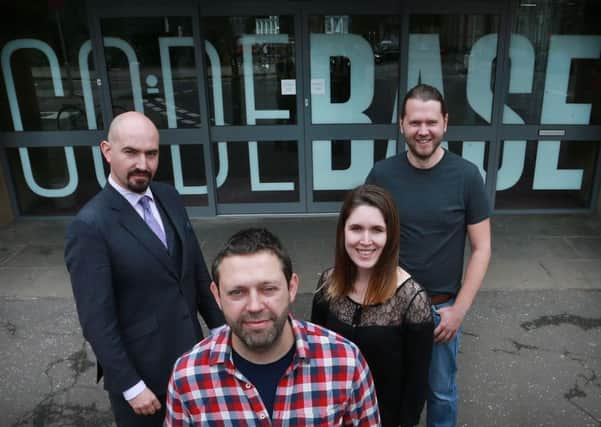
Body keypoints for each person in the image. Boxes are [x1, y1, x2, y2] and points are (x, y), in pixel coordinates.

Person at [64, 111, 225, 427]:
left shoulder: (168, 195)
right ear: (107, 151)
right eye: (131, 152)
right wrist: (130, 385)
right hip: (144, 381)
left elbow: (194, 268)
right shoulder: (89, 226)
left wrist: (221, 330)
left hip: (193, 360)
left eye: (151, 153)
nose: (143, 164)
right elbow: (97, 320)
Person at [366, 84, 492, 427]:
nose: (424, 131)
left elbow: (482, 248)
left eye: (432, 122)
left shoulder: (466, 176)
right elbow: (365, 239)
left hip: (441, 311)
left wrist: (458, 311)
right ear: (402, 125)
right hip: (388, 306)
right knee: (388, 390)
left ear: (445, 123)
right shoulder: (382, 175)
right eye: (415, 122)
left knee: (441, 393)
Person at [165, 228, 381, 426]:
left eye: (268, 289)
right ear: (217, 296)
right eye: (237, 292)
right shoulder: (187, 377)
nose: (255, 306)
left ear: (292, 287)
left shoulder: (345, 362)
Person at [311, 184, 434, 427]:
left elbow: (416, 385)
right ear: (343, 232)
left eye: (377, 230)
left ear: (390, 235)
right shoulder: (328, 283)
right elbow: (316, 356)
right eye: (356, 228)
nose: (365, 241)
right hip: (332, 415)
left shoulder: (412, 299)